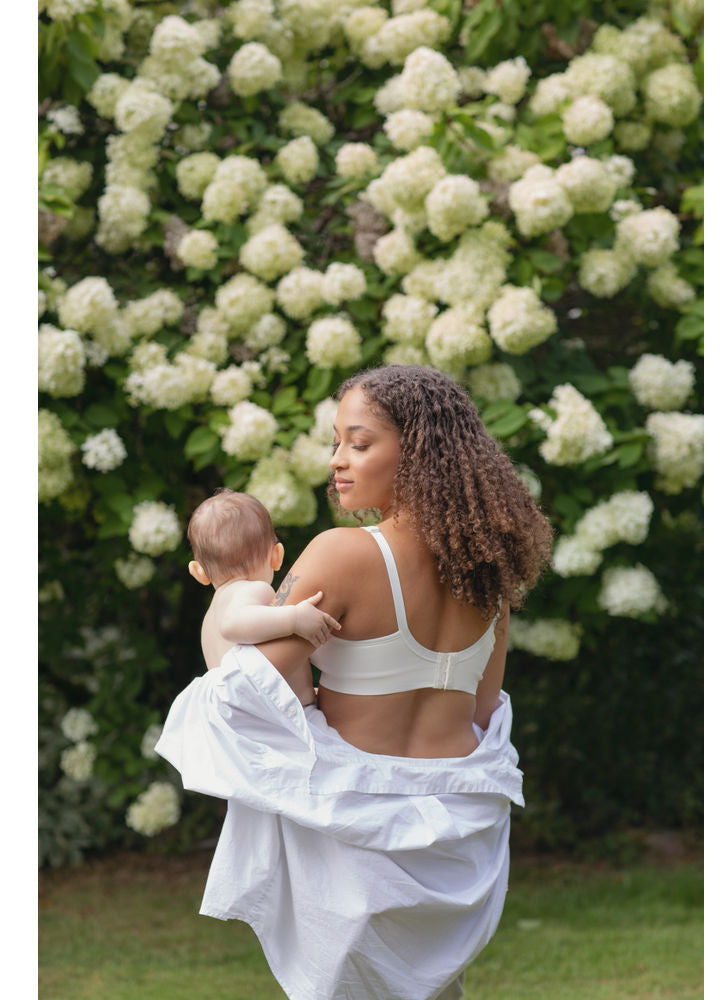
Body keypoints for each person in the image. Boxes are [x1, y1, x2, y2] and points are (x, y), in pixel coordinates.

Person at [156, 365, 553, 1000]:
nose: (337, 460)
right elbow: (482, 711)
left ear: (417, 452)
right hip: (460, 835)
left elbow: (249, 686)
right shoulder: (488, 574)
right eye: (336, 442)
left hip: (354, 832)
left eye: (359, 443)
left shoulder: (343, 553)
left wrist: (226, 612)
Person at [186, 489, 341, 672]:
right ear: (277, 556)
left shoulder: (210, 618)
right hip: (259, 692)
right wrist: (294, 618)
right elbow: (232, 624)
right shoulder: (253, 589)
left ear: (199, 572)